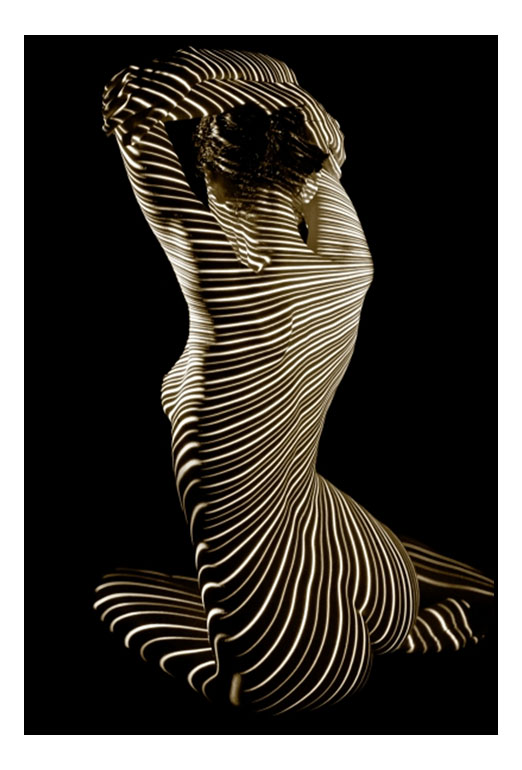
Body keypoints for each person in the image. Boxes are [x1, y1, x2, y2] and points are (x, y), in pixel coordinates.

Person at [94, 47, 494, 715]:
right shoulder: (350, 256)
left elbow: (138, 106)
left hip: (295, 657)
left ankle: (410, 643)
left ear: (213, 186)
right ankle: (430, 630)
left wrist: (204, 109)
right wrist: (272, 105)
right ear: (314, 157)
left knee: (112, 589)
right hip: (366, 562)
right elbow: (287, 91)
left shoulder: (231, 290)